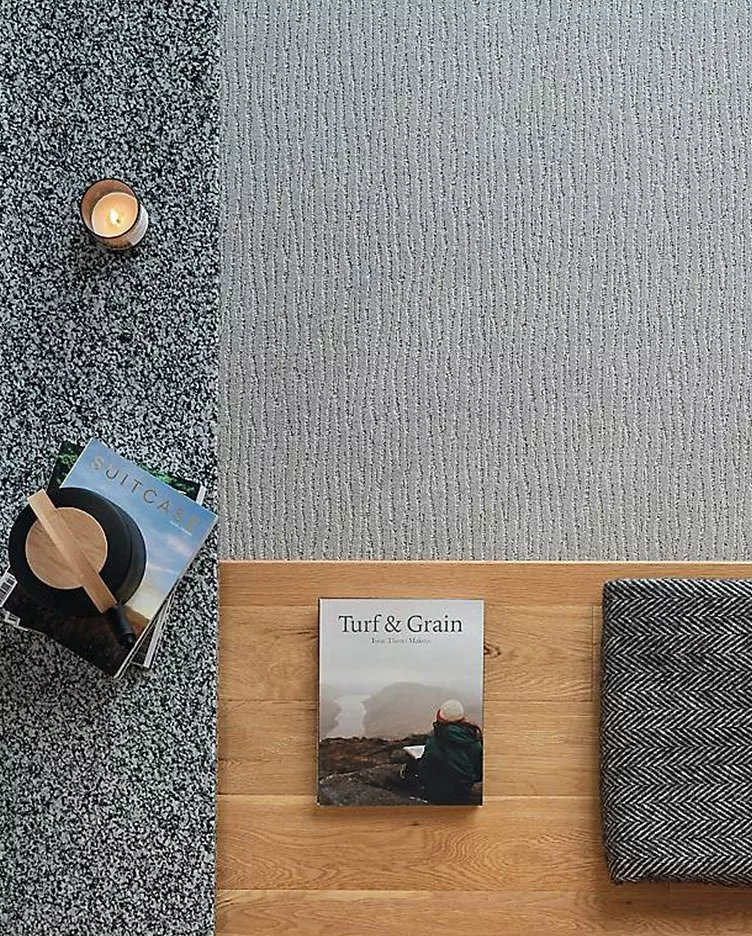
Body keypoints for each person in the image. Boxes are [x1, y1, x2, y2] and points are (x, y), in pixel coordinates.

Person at [406, 699, 483, 804]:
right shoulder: (474, 739)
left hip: (444, 795)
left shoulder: (436, 742)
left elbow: (425, 772)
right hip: (467, 789)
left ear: (439, 717)